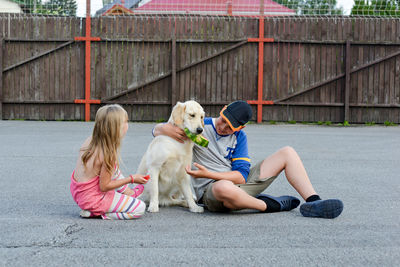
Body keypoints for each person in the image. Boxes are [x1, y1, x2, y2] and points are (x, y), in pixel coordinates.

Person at [153, 100, 343, 219]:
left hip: (236, 182)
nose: (223, 127)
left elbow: (242, 176)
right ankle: (268, 205)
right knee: (223, 186)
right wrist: (159, 129)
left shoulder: (239, 138)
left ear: (240, 129)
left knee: (288, 152)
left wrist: (209, 172)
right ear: (222, 111)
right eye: (223, 121)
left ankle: (314, 202)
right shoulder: (201, 125)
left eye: (230, 127)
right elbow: (160, 129)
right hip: (213, 190)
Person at [70, 104, 148, 220]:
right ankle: (99, 213)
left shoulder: (91, 140)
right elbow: (104, 186)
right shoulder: (108, 154)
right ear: (116, 128)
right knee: (139, 208)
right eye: (126, 121)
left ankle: (128, 192)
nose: (128, 124)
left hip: (79, 193)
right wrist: (131, 178)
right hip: (94, 199)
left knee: (113, 168)